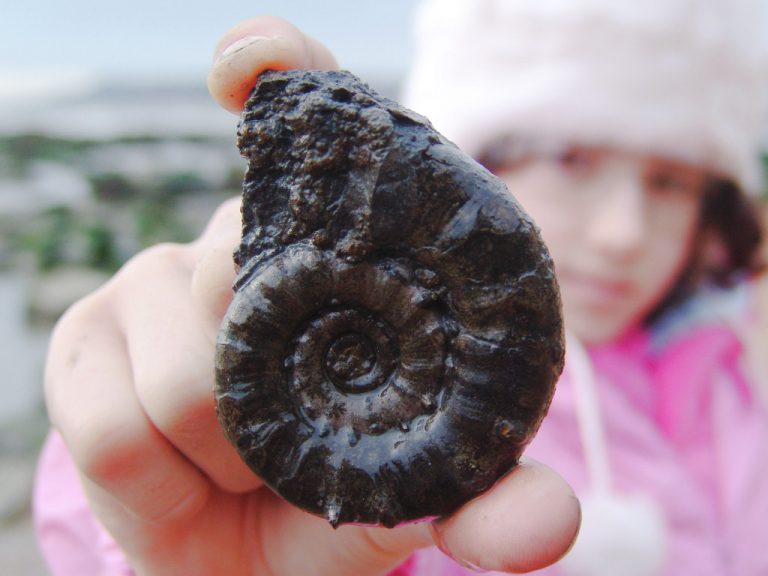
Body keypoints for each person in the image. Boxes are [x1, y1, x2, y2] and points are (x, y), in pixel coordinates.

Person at [34, 0, 768, 573]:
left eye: (672, 183)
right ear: (464, 167)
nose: (623, 233)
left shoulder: (744, 389)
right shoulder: (395, 536)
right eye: (570, 159)